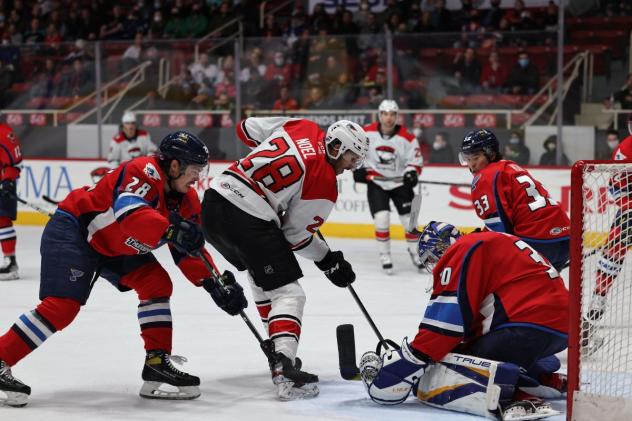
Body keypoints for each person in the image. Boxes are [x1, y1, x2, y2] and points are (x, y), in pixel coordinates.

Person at [0, 131, 248, 407]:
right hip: (77, 232)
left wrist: (214, 283)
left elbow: (189, 250)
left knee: (157, 284)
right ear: (175, 165)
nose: (197, 178)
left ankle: (157, 362)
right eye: (194, 170)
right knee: (62, 306)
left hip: (115, 247)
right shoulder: (143, 170)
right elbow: (129, 213)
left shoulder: (186, 199)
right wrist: (170, 229)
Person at [201, 117, 369, 400]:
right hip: (249, 217)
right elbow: (296, 238)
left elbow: (245, 127)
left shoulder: (301, 125)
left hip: (213, 204)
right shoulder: (324, 182)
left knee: (264, 280)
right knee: (290, 293)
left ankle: (279, 353)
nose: (352, 166)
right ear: (337, 147)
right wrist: (329, 259)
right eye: (352, 157)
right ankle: (283, 365)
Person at [359, 222, 568, 419]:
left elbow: (443, 329)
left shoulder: (460, 251)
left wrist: (408, 363)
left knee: (448, 363)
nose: (435, 268)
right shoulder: (488, 240)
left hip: (525, 327)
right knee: (474, 350)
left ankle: (517, 398)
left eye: (431, 261)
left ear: (437, 251)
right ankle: (545, 379)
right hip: (561, 328)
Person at [459, 129, 570, 271]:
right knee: (544, 289)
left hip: (537, 242)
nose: (471, 164)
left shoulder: (484, 177)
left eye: (475, 158)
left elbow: (500, 231)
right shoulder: (511, 166)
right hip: (565, 238)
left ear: (491, 154)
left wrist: (472, 242)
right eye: (467, 159)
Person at [354, 100, 424, 273]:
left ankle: (416, 253)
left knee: (410, 222)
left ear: (397, 116)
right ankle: (384, 255)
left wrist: (411, 173)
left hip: (400, 183)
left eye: (392, 114)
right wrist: (359, 168)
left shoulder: (408, 137)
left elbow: (416, 162)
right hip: (377, 183)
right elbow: (357, 153)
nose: (389, 118)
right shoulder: (366, 132)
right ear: (380, 115)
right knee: (382, 219)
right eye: (385, 114)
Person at [585, 114, 632, 323]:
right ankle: (599, 296)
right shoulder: (626, 149)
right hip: (631, 208)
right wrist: (628, 207)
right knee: (613, 250)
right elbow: (616, 186)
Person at [0, 124, 22, 280]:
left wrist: (8, 181)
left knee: (2, 220)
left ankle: (10, 262)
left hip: (3, 184)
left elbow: (16, 161)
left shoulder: (4, 133)